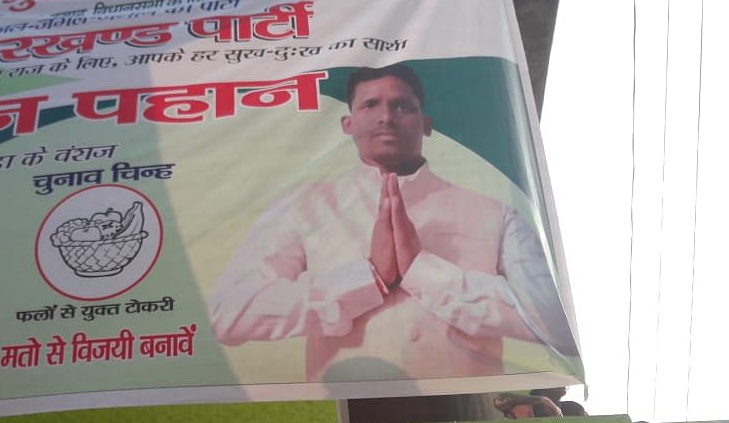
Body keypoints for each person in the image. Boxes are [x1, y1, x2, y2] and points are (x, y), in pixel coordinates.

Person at [209, 64, 578, 382]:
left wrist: (423, 271)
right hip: (345, 416)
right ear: (347, 123)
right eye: (371, 104)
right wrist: (365, 279)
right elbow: (229, 313)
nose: (386, 116)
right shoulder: (304, 206)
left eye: (402, 105)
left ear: (427, 123)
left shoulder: (494, 213)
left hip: (466, 413)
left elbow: (555, 323)